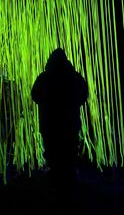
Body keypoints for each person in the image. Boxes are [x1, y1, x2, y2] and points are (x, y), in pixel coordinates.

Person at [31, 48, 88, 190]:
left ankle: (56, 184)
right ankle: (69, 184)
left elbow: (35, 95)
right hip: (70, 122)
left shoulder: (44, 77)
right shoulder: (74, 76)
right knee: (69, 152)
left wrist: (46, 105)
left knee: (53, 153)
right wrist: (73, 105)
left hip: (49, 123)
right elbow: (83, 94)